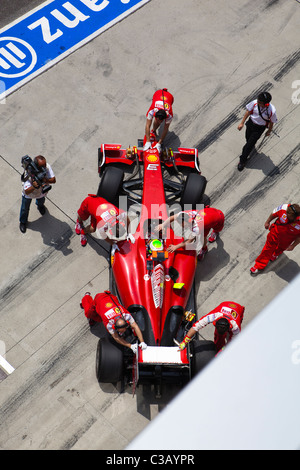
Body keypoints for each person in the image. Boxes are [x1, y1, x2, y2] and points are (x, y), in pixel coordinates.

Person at [80, 291, 147, 352]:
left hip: (109, 297)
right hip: (99, 300)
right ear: (114, 327)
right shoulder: (109, 324)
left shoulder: (126, 315)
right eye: (121, 331)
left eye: (123, 330)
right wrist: (130, 346)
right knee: (90, 314)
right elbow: (116, 337)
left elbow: (135, 326)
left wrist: (142, 342)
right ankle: (86, 296)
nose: (123, 332)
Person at [155, 206, 224, 260]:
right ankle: (204, 248)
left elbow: (189, 241)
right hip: (209, 212)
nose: (182, 226)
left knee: (203, 238)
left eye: (183, 225)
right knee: (204, 236)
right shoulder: (183, 215)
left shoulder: (196, 228)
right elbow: (172, 217)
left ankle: (212, 237)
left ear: (188, 222)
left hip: (218, 218)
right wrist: (163, 224)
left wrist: (176, 246)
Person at [250, 203, 300, 274]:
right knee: (267, 250)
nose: (285, 215)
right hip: (274, 235)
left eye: (288, 216)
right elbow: (274, 214)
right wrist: (267, 222)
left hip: (286, 241)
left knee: (281, 248)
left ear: (294, 217)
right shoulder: (284, 208)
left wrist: (293, 246)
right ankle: (259, 265)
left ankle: (275, 254)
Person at [178, 301, 245, 353]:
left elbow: (233, 343)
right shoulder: (213, 316)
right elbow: (196, 327)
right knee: (219, 337)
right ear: (215, 322)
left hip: (239, 309)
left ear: (230, 327)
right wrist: (184, 342)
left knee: (232, 343)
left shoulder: (236, 327)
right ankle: (218, 348)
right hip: (224, 304)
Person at [237, 91, 278, 171]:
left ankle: (242, 160)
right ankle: (250, 146)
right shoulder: (255, 103)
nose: (258, 102)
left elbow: (271, 122)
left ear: (266, 104)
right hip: (250, 124)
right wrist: (242, 123)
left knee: (248, 146)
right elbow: (248, 112)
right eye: (258, 100)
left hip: (259, 129)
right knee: (247, 138)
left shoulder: (271, 110)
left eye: (260, 102)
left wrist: (269, 131)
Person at [19, 155, 56, 233]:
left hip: (41, 192)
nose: (45, 167)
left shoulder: (46, 167)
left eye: (45, 164)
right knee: (24, 209)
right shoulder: (29, 173)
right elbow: (26, 191)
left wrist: (45, 180)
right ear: (36, 166)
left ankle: (40, 206)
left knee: (41, 201)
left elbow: (53, 180)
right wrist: (33, 187)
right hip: (29, 194)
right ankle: (23, 222)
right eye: (42, 166)